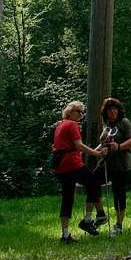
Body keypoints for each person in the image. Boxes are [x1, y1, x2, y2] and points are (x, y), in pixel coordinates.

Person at [52, 100, 107, 243]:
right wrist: (97, 154)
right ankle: (88, 220)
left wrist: (95, 151)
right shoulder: (72, 124)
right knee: (94, 184)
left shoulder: (60, 125)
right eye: (78, 111)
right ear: (70, 112)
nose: (81, 115)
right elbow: (79, 145)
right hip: (72, 165)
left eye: (82, 112)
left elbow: (71, 147)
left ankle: (65, 236)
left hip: (61, 167)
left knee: (67, 199)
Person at [99, 97, 131, 235]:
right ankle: (99, 215)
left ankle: (119, 224)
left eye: (115, 109)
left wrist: (119, 146)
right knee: (92, 181)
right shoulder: (107, 123)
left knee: (119, 193)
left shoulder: (124, 122)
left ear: (119, 110)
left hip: (122, 164)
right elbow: (103, 141)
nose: (113, 111)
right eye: (109, 109)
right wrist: (97, 150)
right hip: (108, 162)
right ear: (106, 112)